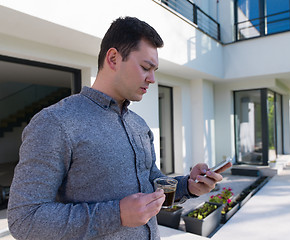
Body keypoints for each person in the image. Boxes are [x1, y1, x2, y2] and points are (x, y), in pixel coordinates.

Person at [7, 16, 231, 240]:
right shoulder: (55, 123)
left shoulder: (139, 125)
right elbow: (24, 219)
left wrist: (188, 186)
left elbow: (152, 183)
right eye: (145, 67)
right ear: (113, 58)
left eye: (154, 70)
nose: (152, 79)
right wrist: (117, 214)